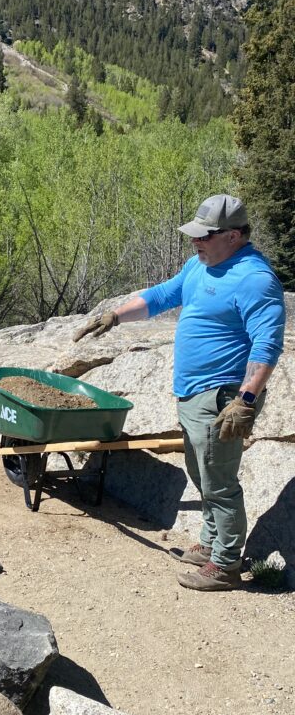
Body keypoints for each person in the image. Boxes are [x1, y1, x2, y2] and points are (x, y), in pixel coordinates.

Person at [74, 194, 286, 592]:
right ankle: (210, 543)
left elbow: (267, 344)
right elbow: (161, 297)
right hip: (192, 394)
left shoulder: (255, 279)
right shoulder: (200, 266)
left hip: (223, 398)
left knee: (219, 481)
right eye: (194, 235)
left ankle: (226, 564)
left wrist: (247, 400)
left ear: (235, 235)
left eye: (205, 236)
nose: (196, 242)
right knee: (201, 471)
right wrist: (115, 316)